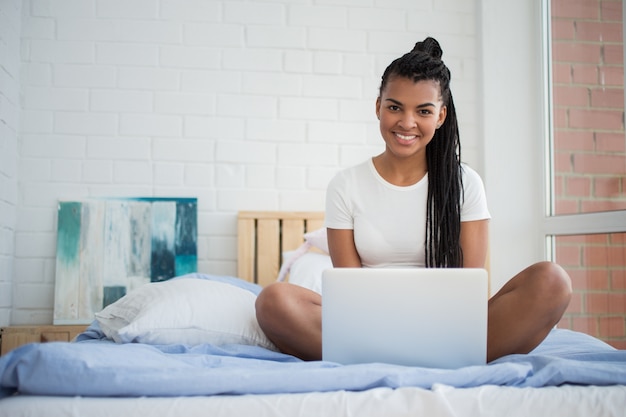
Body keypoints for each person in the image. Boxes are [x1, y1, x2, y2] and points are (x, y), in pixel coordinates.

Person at [255, 37, 572, 363]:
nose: (407, 123)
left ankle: (402, 356)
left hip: (449, 325)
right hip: (370, 325)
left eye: (423, 111)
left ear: (441, 116)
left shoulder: (466, 184)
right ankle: (435, 358)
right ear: (378, 106)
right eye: (395, 107)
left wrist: (438, 323)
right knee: (273, 300)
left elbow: (469, 288)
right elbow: (350, 294)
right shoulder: (345, 186)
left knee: (552, 281)